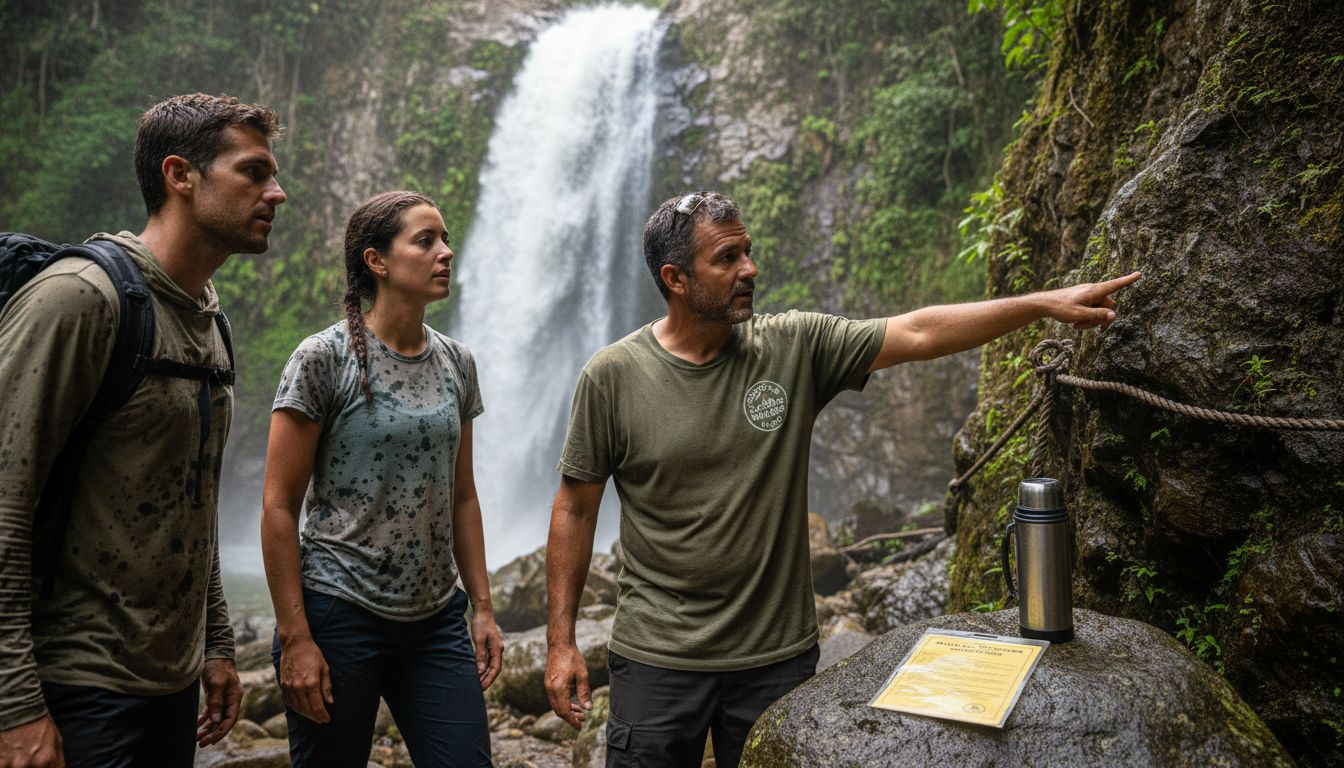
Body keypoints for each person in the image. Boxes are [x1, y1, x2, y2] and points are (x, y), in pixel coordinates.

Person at [543, 191, 1142, 767]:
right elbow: (575, 508)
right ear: (675, 279)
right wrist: (561, 642)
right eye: (727, 258)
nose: (749, 268)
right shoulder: (613, 377)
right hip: (657, 658)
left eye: (747, 250)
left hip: (773, 659)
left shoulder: (793, 346)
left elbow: (918, 332)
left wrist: (1042, 304)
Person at [0, 93, 286, 768]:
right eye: (254, 172)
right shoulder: (79, 300)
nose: (277, 192)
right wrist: (14, 702)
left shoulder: (210, 321)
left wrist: (215, 643)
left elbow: (192, 500)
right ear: (180, 175)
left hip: (169, 685)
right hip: (72, 684)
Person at [261, 190, 502, 767]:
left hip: (436, 616)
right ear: (378, 261)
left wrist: (484, 609)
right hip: (339, 611)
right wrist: (296, 637)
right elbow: (277, 505)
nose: (446, 252)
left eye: (445, 239)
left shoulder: (456, 362)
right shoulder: (324, 358)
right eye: (426, 241)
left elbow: (462, 495)